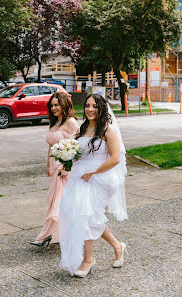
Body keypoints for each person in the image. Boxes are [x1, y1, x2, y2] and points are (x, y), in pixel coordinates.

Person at [58, 94, 128, 278]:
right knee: (89, 216)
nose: (90, 109)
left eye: (94, 106)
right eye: (87, 106)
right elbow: (79, 153)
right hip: (80, 176)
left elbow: (115, 158)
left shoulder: (108, 130)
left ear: (102, 108)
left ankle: (88, 260)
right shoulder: (82, 128)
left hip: (100, 177)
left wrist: (93, 173)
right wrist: (67, 157)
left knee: (86, 215)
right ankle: (117, 245)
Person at [29, 91, 78, 247]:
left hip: (64, 169)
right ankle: (61, 233)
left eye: (56, 105)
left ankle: (45, 235)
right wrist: (47, 163)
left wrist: (66, 167)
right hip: (53, 167)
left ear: (64, 104)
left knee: (57, 204)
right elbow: (51, 146)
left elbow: (76, 148)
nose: (53, 108)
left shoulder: (71, 123)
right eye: (51, 105)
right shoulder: (54, 123)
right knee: (60, 203)